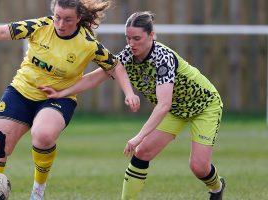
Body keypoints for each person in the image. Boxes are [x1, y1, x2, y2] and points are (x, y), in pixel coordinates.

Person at [0, 0, 140, 199]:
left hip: (58, 98)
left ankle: (38, 191)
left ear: (79, 18)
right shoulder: (40, 26)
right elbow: (4, 31)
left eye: (68, 19)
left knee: (43, 135)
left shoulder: (87, 44)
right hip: (21, 91)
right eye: (58, 17)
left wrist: (129, 93)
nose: (61, 24)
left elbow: (115, 66)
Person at [40, 11, 226, 200]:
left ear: (151, 36)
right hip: (175, 110)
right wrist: (62, 92)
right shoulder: (128, 55)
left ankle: (217, 188)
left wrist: (138, 136)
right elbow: (97, 76)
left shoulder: (163, 59)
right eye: (128, 38)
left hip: (204, 106)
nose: (131, 43)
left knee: (198, 166)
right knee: (142, 152)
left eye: (137, 38)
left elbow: (163, 105)